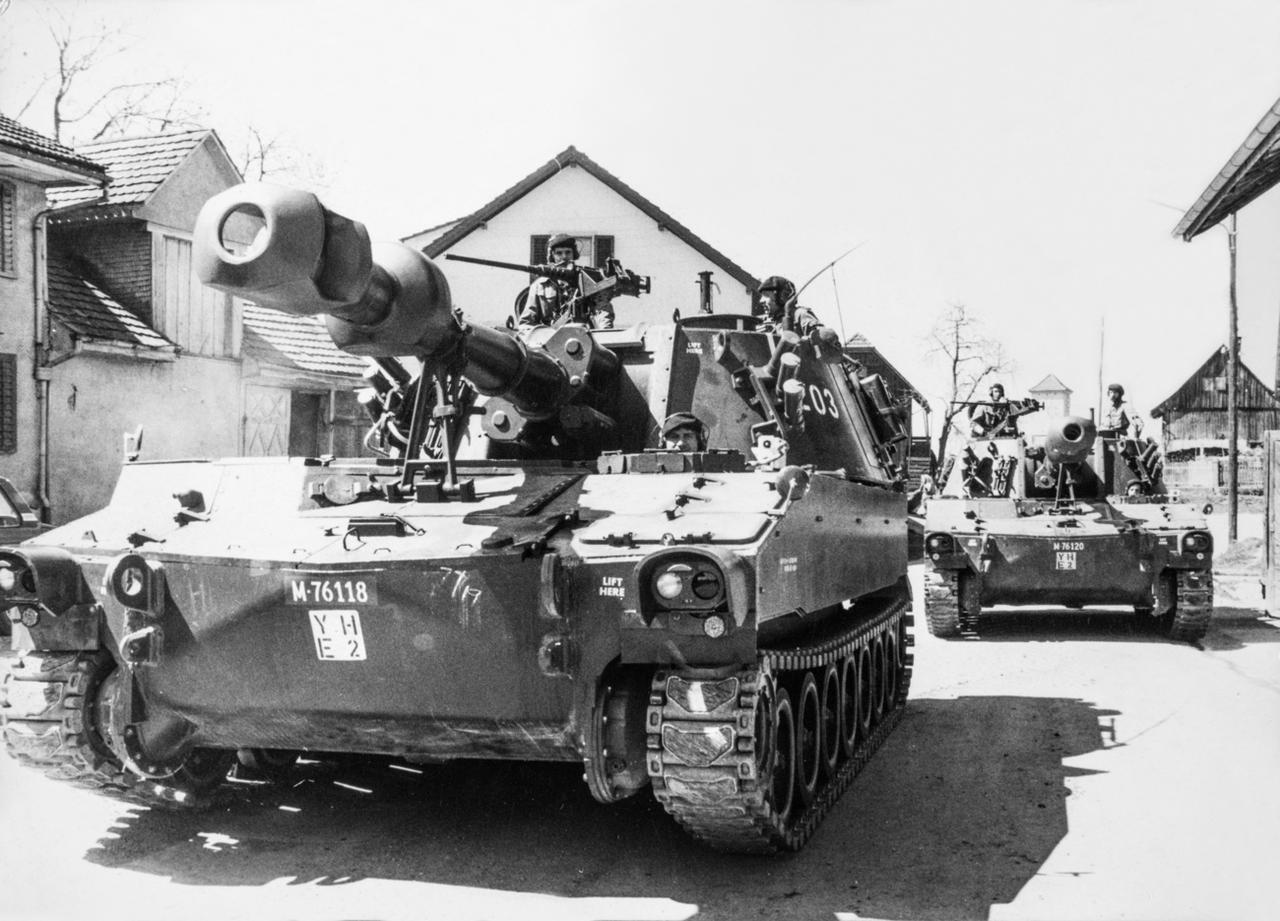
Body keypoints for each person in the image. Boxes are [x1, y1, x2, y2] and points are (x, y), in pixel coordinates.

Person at [518, 233, 615, 330]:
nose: (564, 257)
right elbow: (527, 323)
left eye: (568, 252)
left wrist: (604, 333)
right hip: (550, 338)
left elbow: (602, 310)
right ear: (552, 255)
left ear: (574, 254)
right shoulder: (540, 286)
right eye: (559, 253)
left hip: (584, 335)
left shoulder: (587, 280)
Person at [757, 276, 822, 336]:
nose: (761, 301)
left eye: (766, 295)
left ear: (781, 296)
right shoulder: (773, 323)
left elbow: (822, 340)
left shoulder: (800, 315)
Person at [968, 383, 1040, 438]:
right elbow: (973, 423)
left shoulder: (1007, 405)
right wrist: (983, 432)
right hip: (985, 438)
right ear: (991, 393)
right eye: (995, 391)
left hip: (1006, 437)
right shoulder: (984, 406)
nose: (998, 394)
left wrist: (1030, 406)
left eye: (1000, 392)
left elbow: (1020, 411)